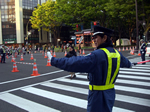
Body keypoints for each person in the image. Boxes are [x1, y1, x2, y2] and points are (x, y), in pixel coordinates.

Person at [47, 25, 132, 112]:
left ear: (105, 38)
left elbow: (76, 62)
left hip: (97, 96)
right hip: (110, 93)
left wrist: (54, 60)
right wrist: (131, 64)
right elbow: (126, 63)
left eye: (96, 38)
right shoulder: (117, 54)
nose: (94, 40)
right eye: (93, 38)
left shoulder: (97, 55)